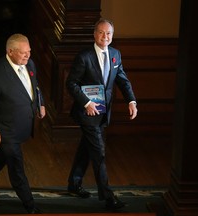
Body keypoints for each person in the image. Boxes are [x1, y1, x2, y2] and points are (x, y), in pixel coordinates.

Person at [66, 18, 138, 209]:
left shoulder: (115, 54)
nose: (105, 37)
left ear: (112, 36)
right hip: (87, 112)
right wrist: (87, 103)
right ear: (94, 34)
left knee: (86, 148)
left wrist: (131, 100)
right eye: (101, 32)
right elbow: (71, 84)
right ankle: (108, 197)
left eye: (109, 33)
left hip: (103, 113)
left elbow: (122, 80)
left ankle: (74, 183)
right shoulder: (84, 57)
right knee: (99, 152)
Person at [0, 33, 46, 214]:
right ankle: (30, 205)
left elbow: (34, 86)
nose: (27, 56)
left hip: (21, 126)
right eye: (23, 53)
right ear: (10, 51)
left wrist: (40, 103)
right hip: (5, 130)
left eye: (29, 51)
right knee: (16, 167)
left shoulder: (30, 64)